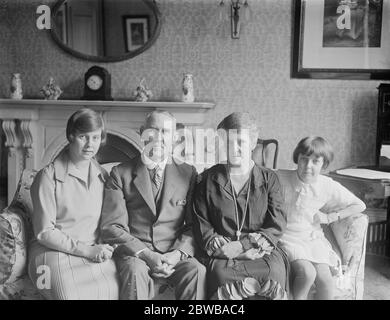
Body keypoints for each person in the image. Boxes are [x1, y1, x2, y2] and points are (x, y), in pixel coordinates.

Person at [100, 110, 207, 300]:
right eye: (152, 131)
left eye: (165, 132)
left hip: (172, 253)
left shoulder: (188, 173)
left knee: (196, 270)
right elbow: (112, 226)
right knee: (134, 271)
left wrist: (176, 255)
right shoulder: (120, 173)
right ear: (142, 133)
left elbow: (193, 226)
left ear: (174, 138)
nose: (158, 138)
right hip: (136, 254)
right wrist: (147, 255)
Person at [192, 112, 289, 300]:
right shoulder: (206, 180)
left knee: (274, 274)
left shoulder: (270, 180)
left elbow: (275, 225)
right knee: (220, 276)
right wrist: (224, 247)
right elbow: (201, 223)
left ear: (252, 143)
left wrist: (242, 246)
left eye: (241, 142)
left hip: (262, 252)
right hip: (223, 253)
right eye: (228, 142)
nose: (234, 149)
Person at [28, 108, 119, 300]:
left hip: (92, 250)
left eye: (95, 138)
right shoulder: (48, 177)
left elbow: (109, 220)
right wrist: (87, 251)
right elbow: (44, 232)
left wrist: (105, 247)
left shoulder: (103, 175)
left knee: (112, 289)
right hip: (51, 253)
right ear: (70, 136)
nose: (89, 145)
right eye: (83, 137)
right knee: (68, 294)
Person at [277, 136, 366, 300]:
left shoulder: (327, 185)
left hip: (311, 237)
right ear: (297, 158)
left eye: (315, 161)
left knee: (326, 280)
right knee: (307, 273)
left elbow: (359, 205)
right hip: (287, 235)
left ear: (323, 164)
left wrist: (331, 216)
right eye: (304, 159)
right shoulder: (280, 177)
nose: (308, 166)